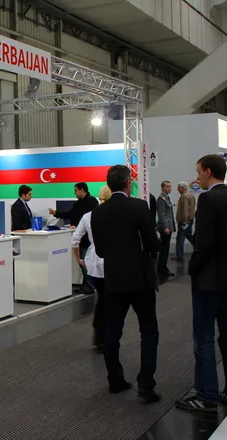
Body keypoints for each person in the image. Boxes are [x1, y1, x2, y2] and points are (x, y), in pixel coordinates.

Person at [91, 165, 160, 403]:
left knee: (112, 332)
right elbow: (153, 244)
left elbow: (99, 250)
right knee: (149, 331)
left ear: (109, 185)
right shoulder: (139, 206)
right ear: (128, 183)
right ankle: (146, 385)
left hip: (114, 280)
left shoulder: (97, 213)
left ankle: (115, 380)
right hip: (141, 279)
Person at [176, 155, 227, 413]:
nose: (197, 177)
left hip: (209, 280)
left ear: (208, 172)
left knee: (204, 337)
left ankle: (207, 396)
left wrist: (192, 269)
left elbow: (204, 244)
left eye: (198, 172)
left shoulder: (207, 198)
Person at [71, 185, 111, 351]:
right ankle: (105, 335)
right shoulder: (114, 215)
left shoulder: (88, 216)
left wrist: (78, 259)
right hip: (111, 262)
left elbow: (74, 240)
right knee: (108, 300)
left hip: (93, 262)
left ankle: (99, 333)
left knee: (102, 298)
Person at [49, 182, 99, 294]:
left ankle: (90, 286)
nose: (74, 193)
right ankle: (87, 285)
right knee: (83, 262)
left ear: (82, 190)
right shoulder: (78, 203)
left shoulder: (92, 202)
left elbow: (87, 219)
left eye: (76, 190)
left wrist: (78, 226)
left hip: (88, 239)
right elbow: (71, 214)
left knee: (86, 262)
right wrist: (56, 213)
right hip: (81, 238)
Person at [172, 181, 195, 262]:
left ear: (183, 188)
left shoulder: (184, 196)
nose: (177, 189)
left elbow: (185, 210)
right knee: (189, 236)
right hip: (190, 220)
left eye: (179, 187)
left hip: (185, 221)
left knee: (180, 237)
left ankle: (179, 255)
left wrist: (184, 221)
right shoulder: (190, 195)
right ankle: (199, 248)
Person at [156, 181, 176, 277]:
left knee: (165, 249)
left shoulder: (166, 198)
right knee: (164, 249)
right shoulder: (161, 199)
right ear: (162, 187)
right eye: (167, 186)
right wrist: (166, 227)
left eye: (170, 186)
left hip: (169, 226)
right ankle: (162, 268)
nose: (169, 188)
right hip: (166, 227)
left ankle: (163, 267)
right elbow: (161, 214)